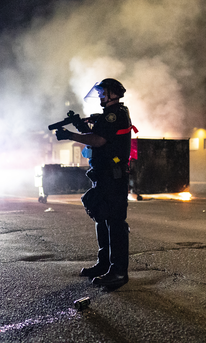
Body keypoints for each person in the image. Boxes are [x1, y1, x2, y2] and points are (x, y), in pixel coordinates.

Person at [55, 78, 134, 289]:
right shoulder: (109, 116)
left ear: (112, 94)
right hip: (104, 176)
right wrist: (82, 126)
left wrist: (71, 135)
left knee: (115, 223)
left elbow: (99, 140)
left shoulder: (114, 114)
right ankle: (105, 264)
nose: (100, 96)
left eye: (103, 93)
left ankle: (118, 272)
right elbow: (98, 134)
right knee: (102, 218)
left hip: (113, 177)